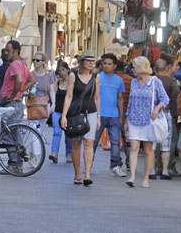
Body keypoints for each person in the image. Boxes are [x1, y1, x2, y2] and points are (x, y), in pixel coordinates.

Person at [124, 56, 169, 188]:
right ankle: (132, 176)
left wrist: (156, 108)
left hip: (149, 119)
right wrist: (127, 118)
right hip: (134, 118)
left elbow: (165, 99)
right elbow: (131, 101)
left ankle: (146, 178)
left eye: (134, 67)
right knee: (134, 148)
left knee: (148, 150)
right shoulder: (134, 82)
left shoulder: (155, 82)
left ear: (141, 67)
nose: (132, 69)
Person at [60, 52, 101, 186]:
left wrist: (99, 117)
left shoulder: (96, 77)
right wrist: (64, 116)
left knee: (89, 143)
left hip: (91, 112)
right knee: (76, 143)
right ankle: (78, 174)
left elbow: (96, 98)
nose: (90, 63)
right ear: (82, 61)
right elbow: (69, 96)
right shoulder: (73, 75)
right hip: (76, 113)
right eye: (88, 60)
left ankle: (87, 174)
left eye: (93, 61)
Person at [0, 40, 35, 173]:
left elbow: (19, 79)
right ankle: (16, 163)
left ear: (16, 51)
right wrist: (20, 91)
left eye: (8, 50)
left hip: (12, 103)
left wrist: (14, 94)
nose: (6, 53)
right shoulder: (23, 65)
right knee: (14, 132)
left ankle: (15, 163)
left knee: (8, 134)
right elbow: (32, 80)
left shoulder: (14, 65)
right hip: (15, 102)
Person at [93, 53, 127, 177]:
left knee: (116, 142)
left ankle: (115, 165)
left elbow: (120, 98)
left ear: (114, 66)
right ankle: (88, 163)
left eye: (109, 64)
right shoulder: (97, 77)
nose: (106, 66)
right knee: (94, 142)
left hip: (114, 115)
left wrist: (121, 116)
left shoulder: (119, 80)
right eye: (104, 63)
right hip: (99, 114)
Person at [152, 55, 181, 179]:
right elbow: (176, 91)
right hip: (165, 112)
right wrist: (169, 102)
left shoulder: (151, 80)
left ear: (154, 69)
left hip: (153, 113)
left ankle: (153, 169)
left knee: (153, 142)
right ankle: (165, 170)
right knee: (167, 141)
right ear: (167, 68)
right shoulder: (171, 81)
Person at [27, 51, 54, 148]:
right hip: (33, 105)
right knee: (34, 131)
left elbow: (52, 91)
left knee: (39, 131)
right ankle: (37, 155)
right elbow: (24, 89)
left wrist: (53, 104)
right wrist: (28, 93)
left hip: (44, 106)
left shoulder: (49, 76)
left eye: (37, 60)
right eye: (33, 60)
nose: (34, 62)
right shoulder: (30, 75)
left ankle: (33, 153)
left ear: (43, 62)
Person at [49, 60, 73, 164]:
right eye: (59, 70)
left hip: (69, 112)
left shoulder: (72, 82)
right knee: (57, 132)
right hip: (57, 111)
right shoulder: (58, 82)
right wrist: (56, 81)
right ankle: (54, 153)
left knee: (68, 135)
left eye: (63, 70)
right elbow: (52, 92)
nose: (61, 72)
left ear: (68, 70)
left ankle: (69, 154)